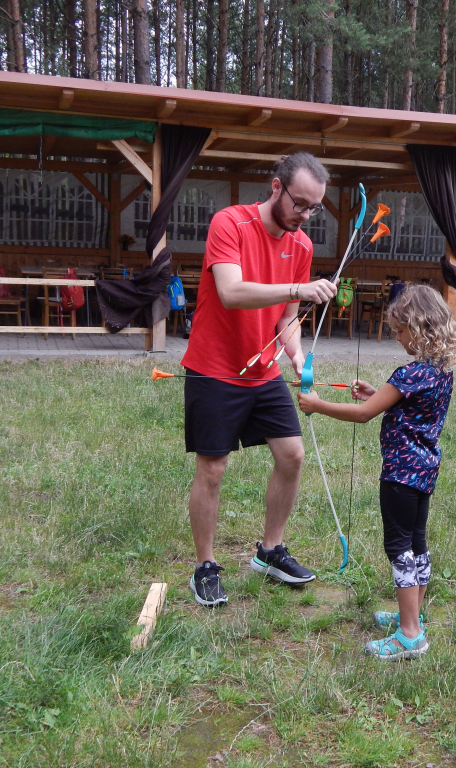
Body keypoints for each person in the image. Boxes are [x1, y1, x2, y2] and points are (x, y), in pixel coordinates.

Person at [181, 152, 338, 607]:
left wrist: (296, 355)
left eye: (313, 208)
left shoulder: (301, 246)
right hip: (214, 367)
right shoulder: (230, 223)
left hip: (264, 369)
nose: (304, 215)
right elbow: (231, 292)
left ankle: (270, 551)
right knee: (213, 468)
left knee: (292, 455)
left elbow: (286, 320)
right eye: (299, 203)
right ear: (276, 187)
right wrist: (297, 289)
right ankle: (205, 566)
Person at [298, 284, 456, 660]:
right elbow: (410, 408)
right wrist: (378, 393)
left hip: (400, 476)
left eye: (400, 331)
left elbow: (362, 414)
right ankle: (412, 617)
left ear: (419, 328)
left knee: (399, 549)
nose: (398, 338)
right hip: (424, 470)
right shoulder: (440, 370)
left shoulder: (409, 373)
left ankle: (409, 636)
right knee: (416, 544)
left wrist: (317, 404)